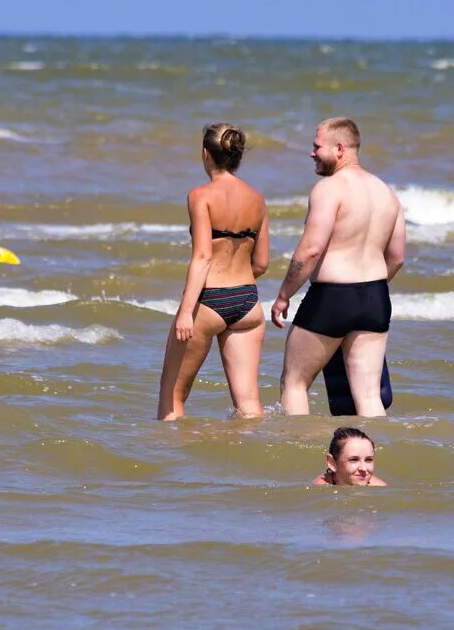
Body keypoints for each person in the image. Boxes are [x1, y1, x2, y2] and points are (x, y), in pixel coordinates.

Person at [271, 117, 406, 417]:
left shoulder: (329, 189)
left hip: (332, 297)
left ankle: (298, 451)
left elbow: (310, 250)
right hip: (375, 297)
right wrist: (368, 288)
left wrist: (283, 296)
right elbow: (396, 257)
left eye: (317, 146)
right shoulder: (387, 193)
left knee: (294, 382)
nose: (312, 153)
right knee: (370, 395)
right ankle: (373, 458)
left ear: (340, 148)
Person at [157, 123, 270, 420]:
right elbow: (261, 263)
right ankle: (253, 463)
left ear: (206, 154)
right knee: (249, 406)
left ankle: (169, 463)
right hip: (247, 301)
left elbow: (203, 256)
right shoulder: (257, 200)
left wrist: (185, 311)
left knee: (172, 398)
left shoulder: (200, 195)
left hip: (208, 301)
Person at [312, 427, 388, 487]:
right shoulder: (321, 487)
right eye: (354, 460)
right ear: (332, 463)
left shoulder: (380, 488)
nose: (364, 468)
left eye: (368, 460)